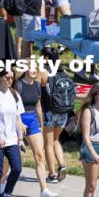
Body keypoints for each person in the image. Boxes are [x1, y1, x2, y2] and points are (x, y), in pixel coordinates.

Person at [15, 68, 58, 197]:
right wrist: (18, 124)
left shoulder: (37, 85)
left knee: (39, 155)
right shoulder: (18, 85)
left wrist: (41, 123)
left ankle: (44, 189)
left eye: (36, 68)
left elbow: (38, 105)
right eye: (31, 67)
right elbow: (13, 105)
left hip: (33, 119)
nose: (34, 70)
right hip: (18, 119)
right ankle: (3, 180)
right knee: (9, 157)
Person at [38, 47, 68, 184]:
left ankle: (52, 174)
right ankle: (61, 164)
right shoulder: (63, 71)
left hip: (49, 111)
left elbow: (37, 89)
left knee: (48, 144)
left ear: (46, 58)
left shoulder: (44, 72)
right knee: (56, 140)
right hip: (63, 111)